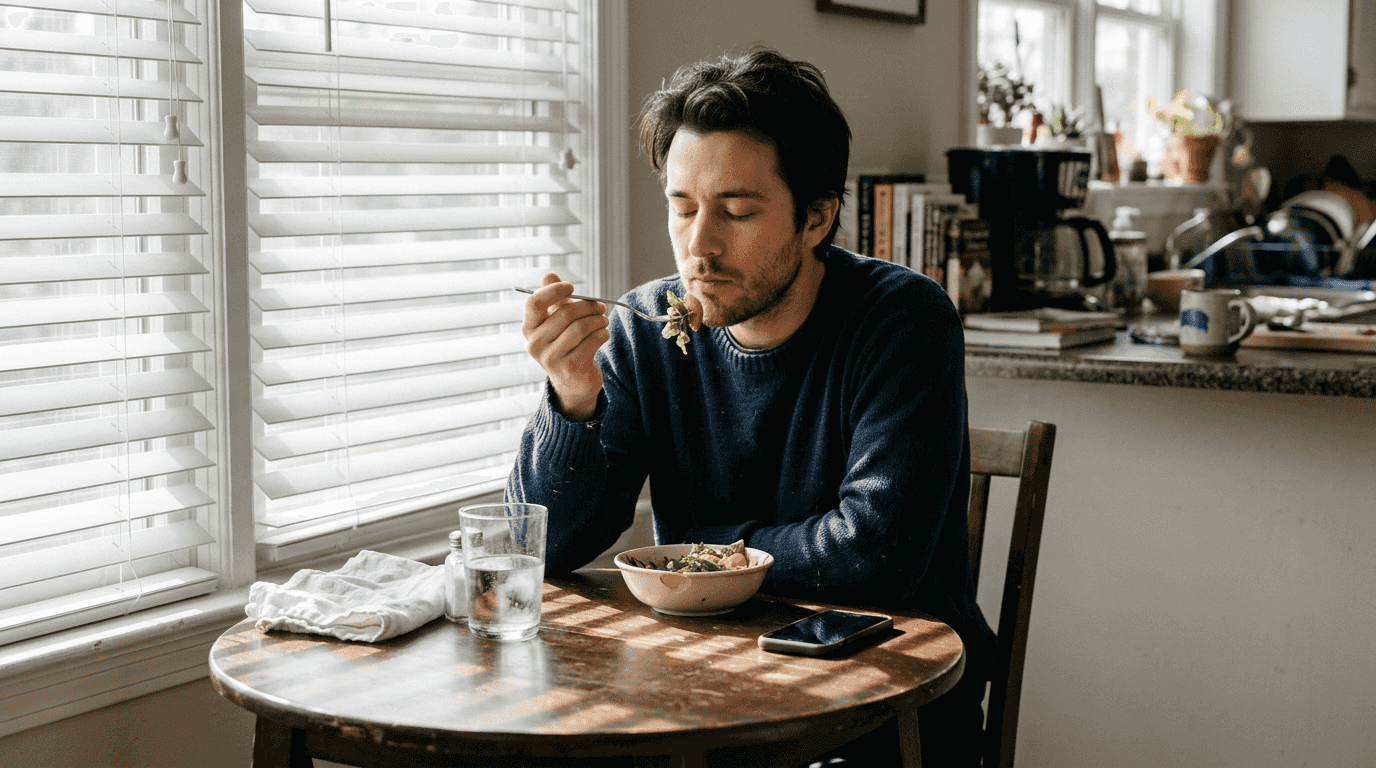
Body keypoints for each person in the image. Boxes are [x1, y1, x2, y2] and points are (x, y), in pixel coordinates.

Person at [508, 45, 994, 766]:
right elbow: (546, 546)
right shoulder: (650, 329)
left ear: (818, 216)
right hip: (702, 699)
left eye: (735, 211)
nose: (698, 246)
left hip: (886, 709)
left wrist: (706, 547)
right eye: (682, 208)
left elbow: (875, 554)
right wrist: (574, 401)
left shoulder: (903, 320)